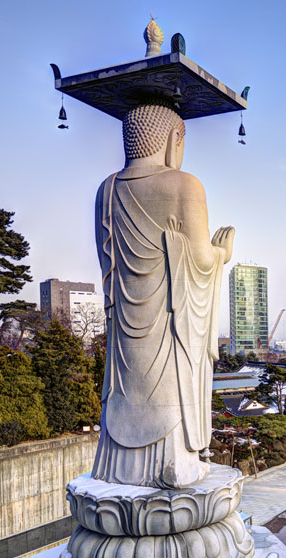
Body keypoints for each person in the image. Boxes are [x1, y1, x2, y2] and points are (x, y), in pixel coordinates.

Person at [91, 103, 234, 488]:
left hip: (124, 340)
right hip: (169, 332)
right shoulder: (184, 185)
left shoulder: (106, 191)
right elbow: (202, 259)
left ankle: (118, 467)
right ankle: (175, 466)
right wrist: (222, 255)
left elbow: (109, 265)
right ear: (175, 140)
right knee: (173, 391)